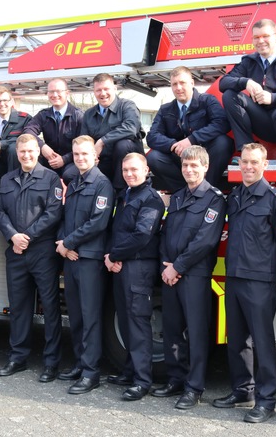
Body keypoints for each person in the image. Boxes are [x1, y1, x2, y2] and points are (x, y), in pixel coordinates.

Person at [212, 143, 276, 423]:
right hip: (234, 278)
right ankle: (242, 391)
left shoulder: (275, 200)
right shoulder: (234, 197)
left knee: (262, 342)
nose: (248, 167)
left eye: (254, 162)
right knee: (236, 339)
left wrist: (267, 266)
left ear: (265, 165)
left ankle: (266, 400)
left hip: (259, 280)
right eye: (244, 162)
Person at [153, 145, 225, 410]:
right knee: (171, 330)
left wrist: (177, 267)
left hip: (193, 274)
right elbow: (165, 233)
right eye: (185, 166)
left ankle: (194, 388)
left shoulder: (214, 198)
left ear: (205, 167)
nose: (189, 170)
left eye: (195, 166)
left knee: (195, 333)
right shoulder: (179, 196)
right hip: (171, 273)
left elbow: (205, 241)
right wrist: (165, 265)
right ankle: (175, 379)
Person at [0, 134, 64, 381]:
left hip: (42, 253)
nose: (26, 155)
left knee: (50, 308)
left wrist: (27, 237)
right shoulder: (6, 179)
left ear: (37, 151)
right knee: (19, 308)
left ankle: (51, 362)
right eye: (22, 151)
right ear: (17, 153)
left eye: (30, 151)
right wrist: (13, 236)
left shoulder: (51, 178)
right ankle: (18, 357)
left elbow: (53, 213)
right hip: (16, 252)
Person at [55, 135, 114, 394]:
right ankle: (80, 363)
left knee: (90, 317)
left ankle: (91, 373)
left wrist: (68, 242)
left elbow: (98, 223)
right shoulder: (75, 181)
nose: (80, 158)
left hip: (89, 259)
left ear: (95, 157)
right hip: (71, 257)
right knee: (76, 315)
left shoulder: (102, 184)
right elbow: (65, 217)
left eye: (85, 154)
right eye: (76, 154)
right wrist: (62, 245)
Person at [104, 153, 165, 401]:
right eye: (125, 170)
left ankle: (142, 381)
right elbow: (116, 230)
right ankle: (129, 371)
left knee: (139, 323)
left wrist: (113, 255)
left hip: (139, 268)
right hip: (122, 265)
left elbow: (142, 236)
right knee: (127, 322)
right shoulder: (125, 194)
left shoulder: (151, 199)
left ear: (146, 169)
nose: (129, 174)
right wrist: (111, 255)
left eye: (134, 169)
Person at [220, 18, 276, 164]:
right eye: (256, 37)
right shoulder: (249, 62)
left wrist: (274, 98)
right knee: (230, 95)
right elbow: (223, 83)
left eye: (265, 36)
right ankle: (248, 151)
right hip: (263, 122)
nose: (260, 41)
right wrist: (246, 82)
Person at [146, 66, 233, 190]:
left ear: (192, 83)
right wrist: (174, 145)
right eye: (174, 84)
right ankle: (184, 192)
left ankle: (206, 190)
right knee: (153, 157)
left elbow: (222, 123)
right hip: (179, 158)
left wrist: (192, 140)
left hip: (205, 155)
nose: (178, 88)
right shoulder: (165, 109)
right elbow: (152, 137)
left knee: (223, 142)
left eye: (182, 83)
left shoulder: (207, 101)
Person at [79, 73, 144, 190]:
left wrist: (102, 141)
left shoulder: (127, 106)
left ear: (115, 88)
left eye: (106, 89)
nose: (103, 93)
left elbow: (131, 128)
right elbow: (84, 140)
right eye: (98, 90)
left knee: (122, 145)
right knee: (70, 174)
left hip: (127, 160)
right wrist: (91, 155)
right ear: (94, 91)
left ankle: (120, 191)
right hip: (103, 160)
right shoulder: (88, 114)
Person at [23, 78, 82, 185]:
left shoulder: (78, 116)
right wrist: (43, 147)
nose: (54, 95)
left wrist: (64, 159)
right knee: (29, 166)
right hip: (48, 159)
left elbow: (85, 145)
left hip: (71, 161)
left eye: (58, 91)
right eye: (51, 91)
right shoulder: (43, 115)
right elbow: (28, 131)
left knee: (70, 175)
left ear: (67, 93)